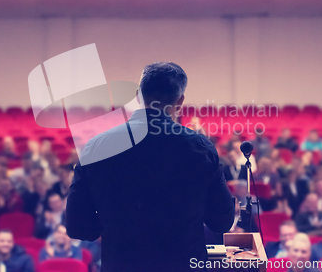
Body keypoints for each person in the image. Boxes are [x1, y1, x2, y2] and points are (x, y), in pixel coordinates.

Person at [66, 62, 235, 272]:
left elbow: (78, 227)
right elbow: (222, 222)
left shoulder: (97, 146)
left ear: (138, 95)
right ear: (180, 101)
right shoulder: (200, 148)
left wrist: (114, 225)